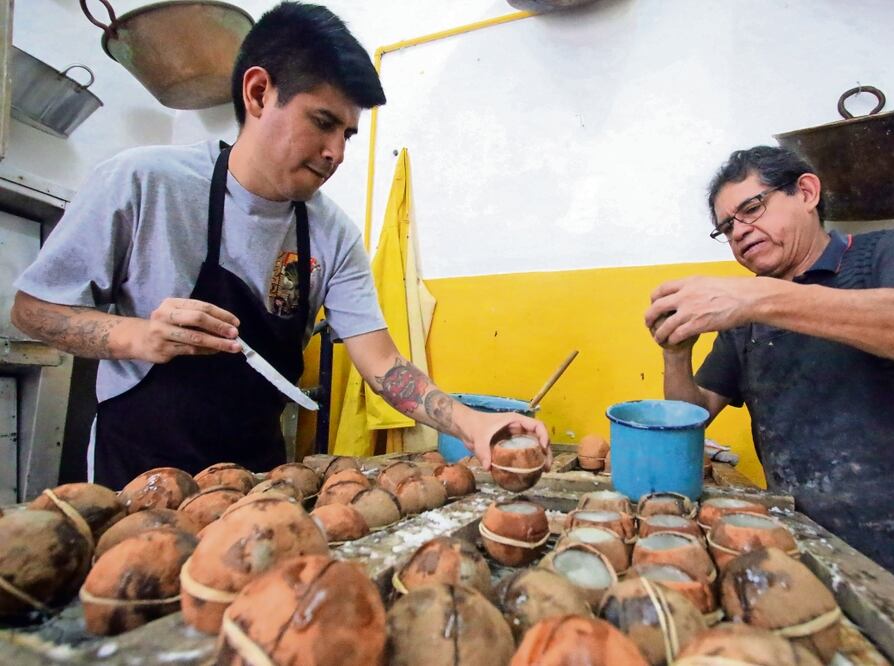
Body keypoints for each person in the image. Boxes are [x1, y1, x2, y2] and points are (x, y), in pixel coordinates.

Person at [10, 2, 548, 490]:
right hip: (138, 475)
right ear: (259, 93)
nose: (336, 152)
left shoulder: (333, 234)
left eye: (347, 135)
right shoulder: (144, 182)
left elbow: (383, 365)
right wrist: (137, 336)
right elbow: (32, 311)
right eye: (323, 122)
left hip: (258, 484)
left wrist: (471, 423)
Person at [645, 145, 894, 659]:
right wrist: (676, 352)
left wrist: (758, 297)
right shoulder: (746, 317)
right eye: (726, 227)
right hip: (815, 555)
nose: (739, 232)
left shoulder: (890, 252)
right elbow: (690, 419)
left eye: (752, 209)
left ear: (806, 192)